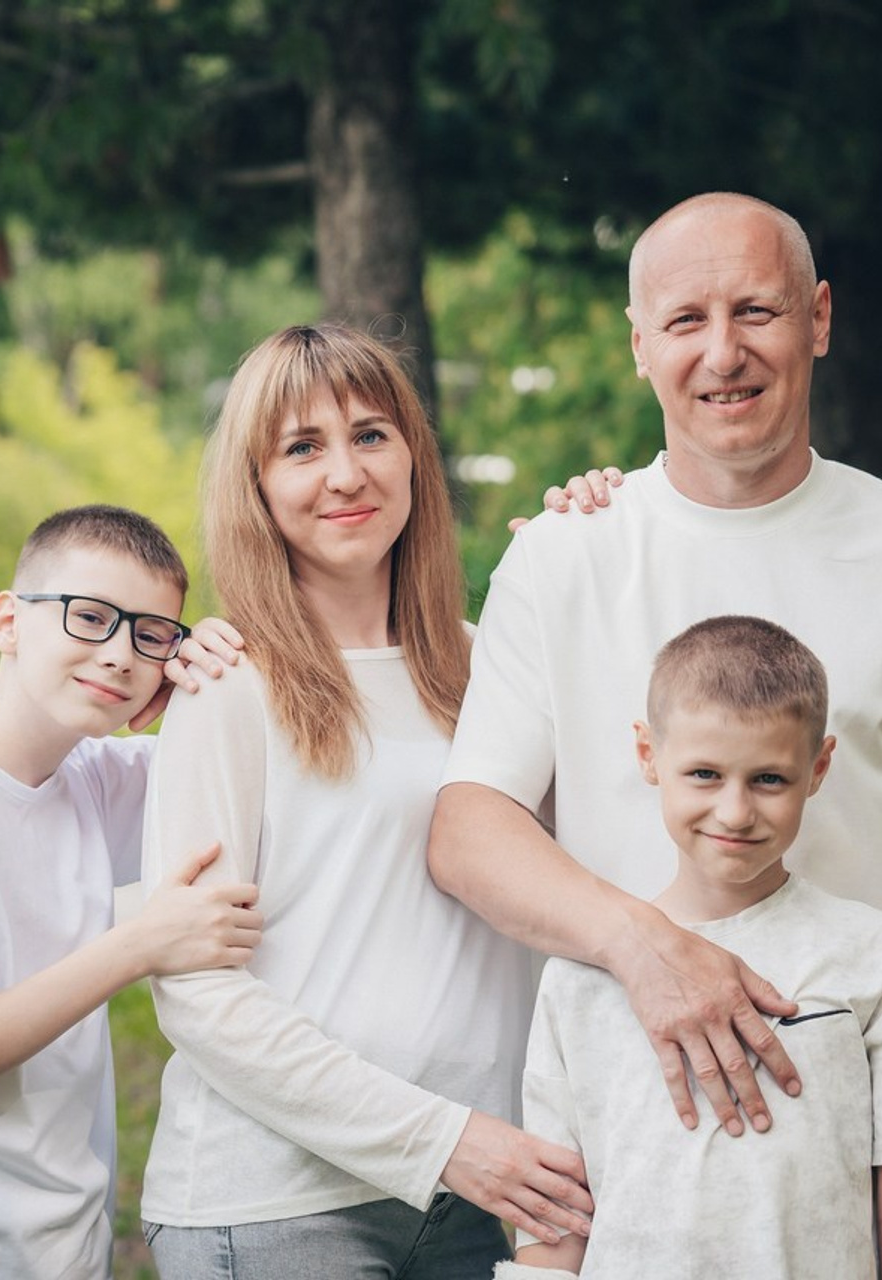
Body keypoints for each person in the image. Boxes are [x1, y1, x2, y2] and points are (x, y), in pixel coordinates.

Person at [429, 192, 882, 1280]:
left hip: (874, 1161)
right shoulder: (564, 557)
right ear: (638, 342)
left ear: (820, 318)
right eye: (685, 319)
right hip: (637, 1168)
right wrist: (646, 949)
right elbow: (468, 829)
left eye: (757, 311)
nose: (723, 352)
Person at [139, 323, 593, 1279]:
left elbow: (612, 838)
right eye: (302, 448)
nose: (344, 474)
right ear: (256, 486)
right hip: (277, 1204)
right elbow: (197, 992)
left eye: (371, 435)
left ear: (416, 459)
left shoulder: (495, 661)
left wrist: (589, 557)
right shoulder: (229, 685)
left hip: (487, 1196)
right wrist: (442, 1138)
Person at [497, 616, 882, 1279]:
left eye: (769, 780)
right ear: (647, 757)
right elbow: (556, 1217)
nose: (735, 811)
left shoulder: (876, 956)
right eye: (704, 774)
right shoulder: (580, 975)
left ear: (819, 767)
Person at [0, 504, 264, 1280]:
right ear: (9, 622)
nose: (119, 655)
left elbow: (261, 749)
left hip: (68, 1249)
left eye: (151, 633)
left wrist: (207, 674)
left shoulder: (92, 777)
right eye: (90, 618)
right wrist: (140, 944)